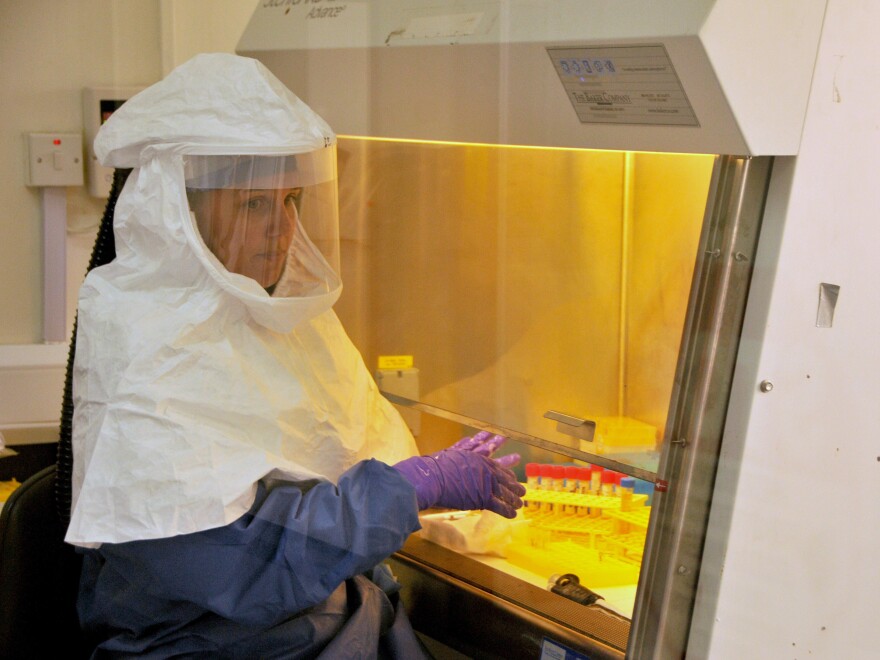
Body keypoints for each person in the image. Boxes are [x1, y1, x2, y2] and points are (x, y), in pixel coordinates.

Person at [65, 53, 524, 658]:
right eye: (255, 204)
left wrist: (419, 488)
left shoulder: (284, 322)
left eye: (291, 202)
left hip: (320, 627)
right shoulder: (148, 341)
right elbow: (244, 568)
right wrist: (409, 489)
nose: (282, 230)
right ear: (185, 215)